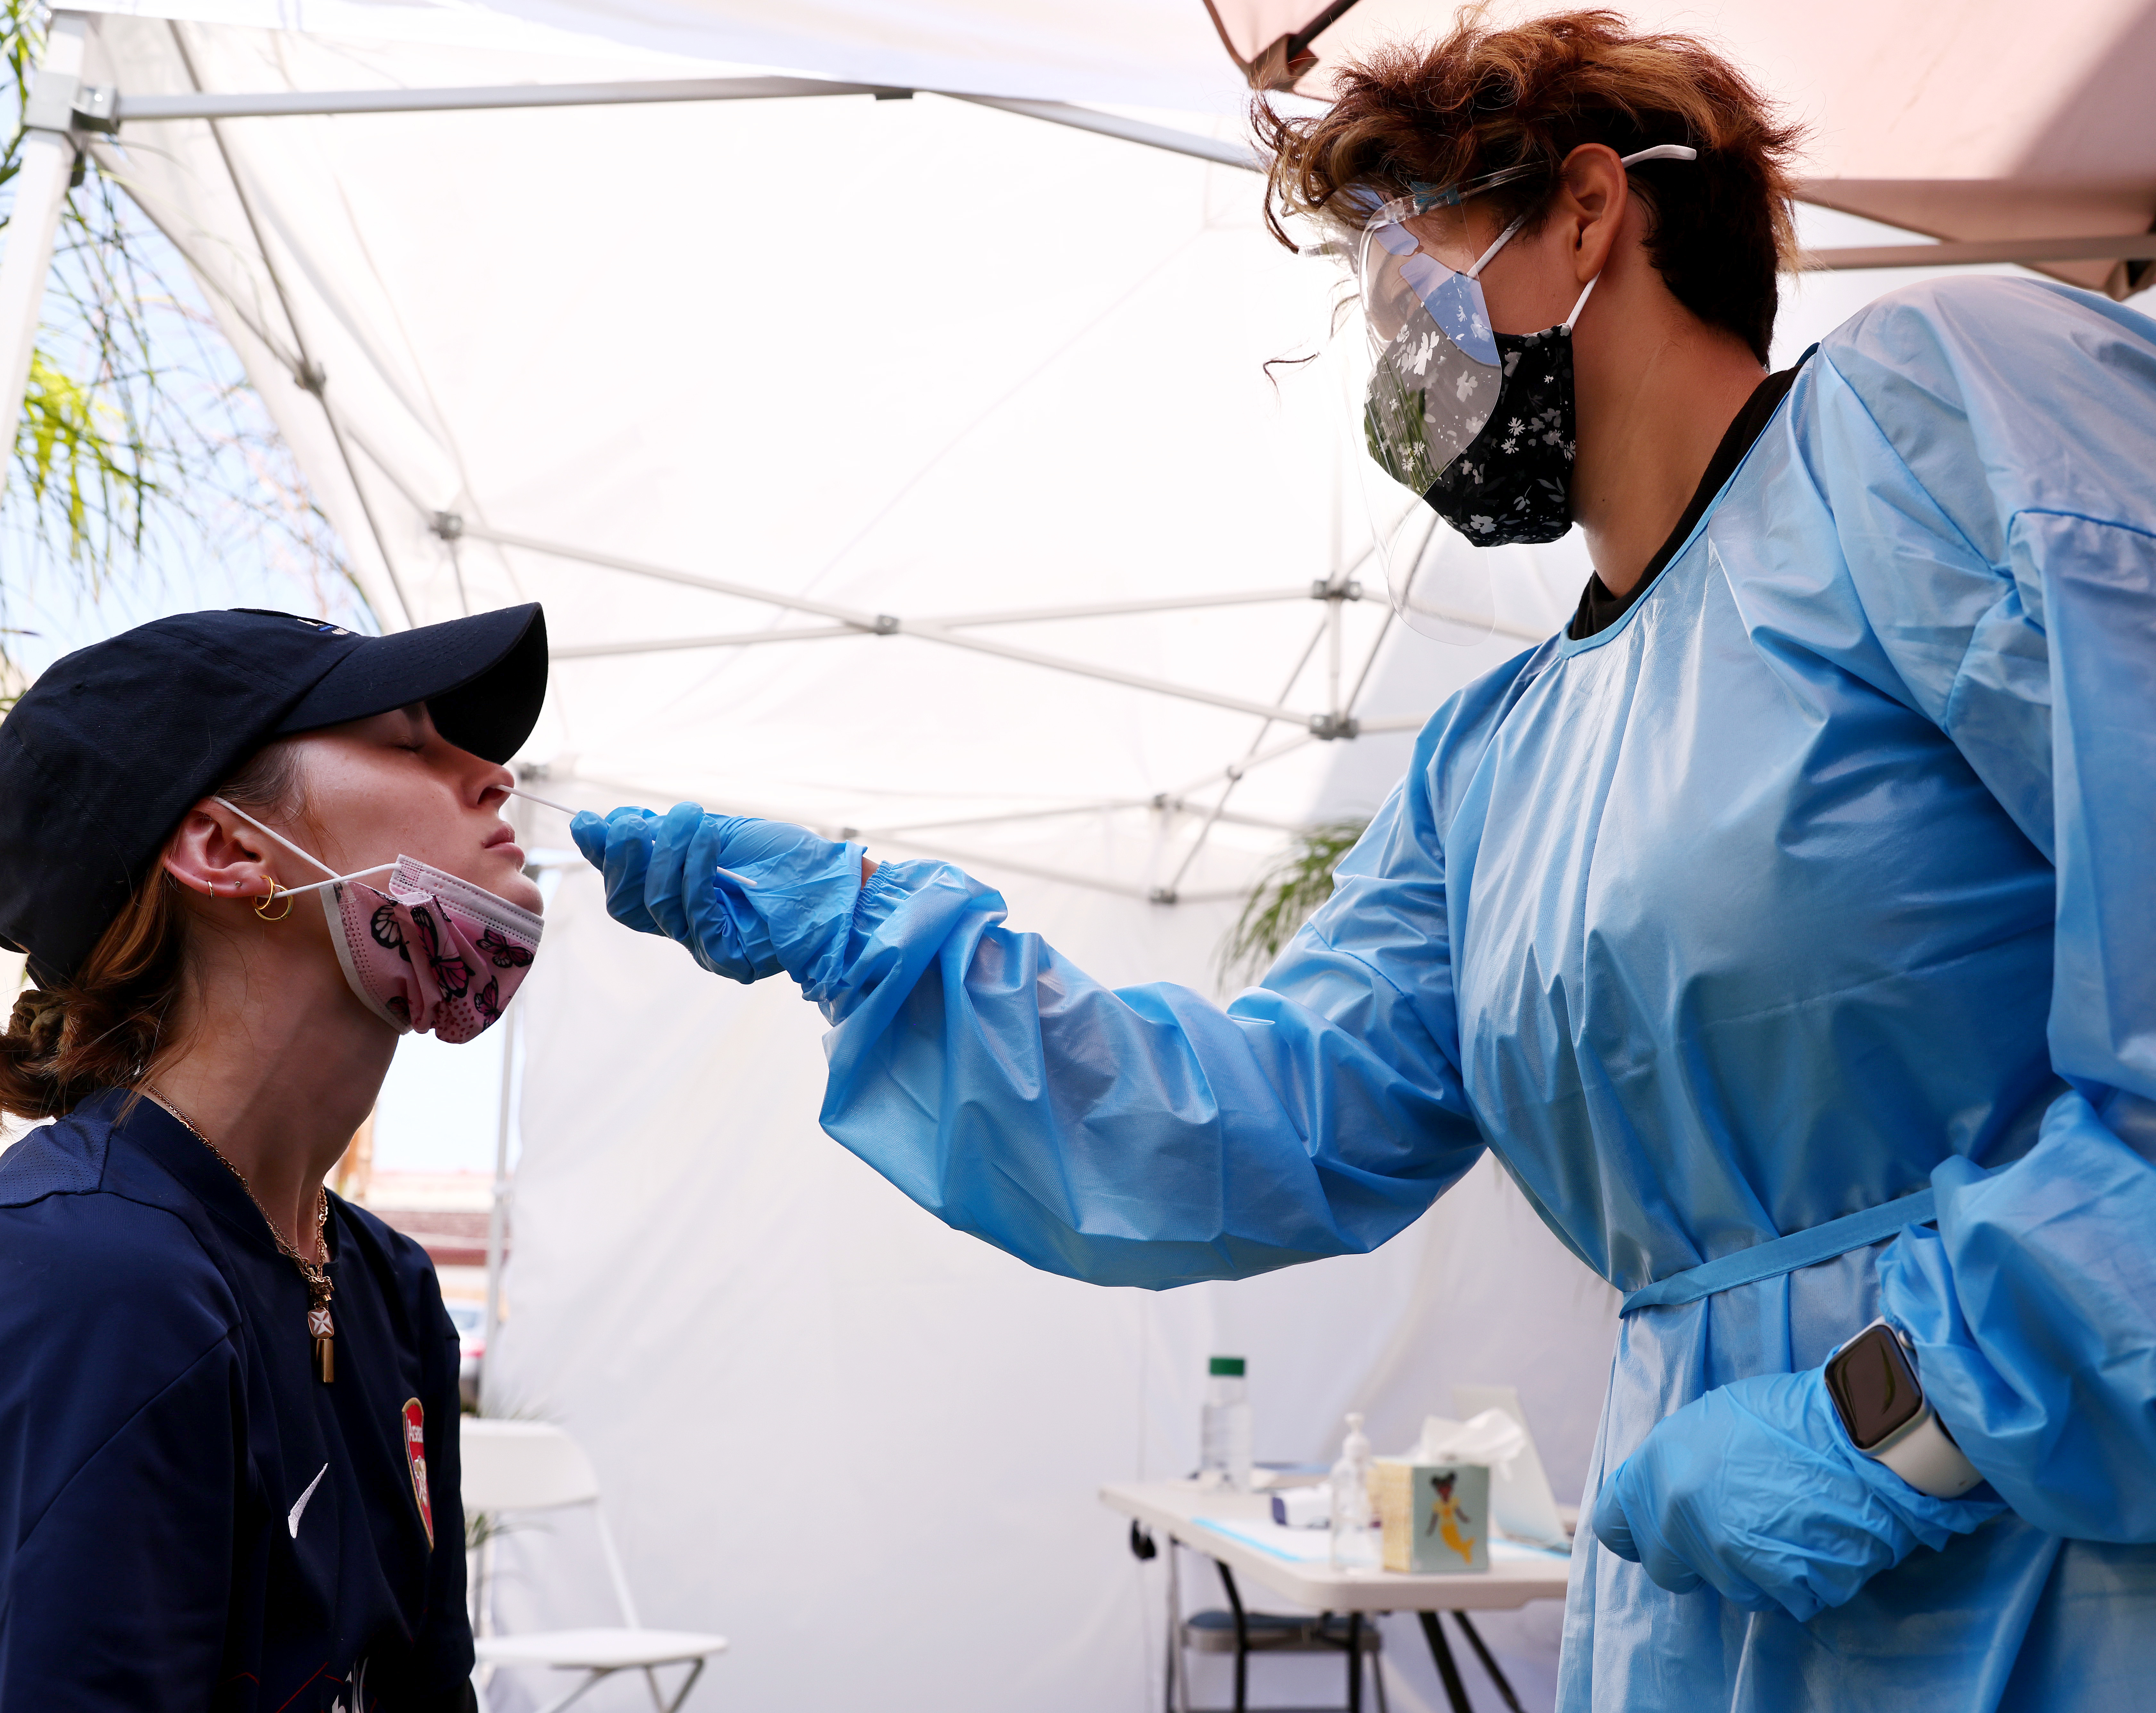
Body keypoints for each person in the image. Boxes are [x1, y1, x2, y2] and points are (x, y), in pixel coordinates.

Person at [567, 11, 2156, 1711]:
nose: (1394, 346)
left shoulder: (1923, 418)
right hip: (1713, 1595)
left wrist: (1903, 1416)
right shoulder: (1496, 761)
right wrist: (886, 945)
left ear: (1588, 210)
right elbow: (1256, 1122)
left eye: (1405, 264)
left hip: (2045, 1540)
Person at [0, 602, 550, 1711]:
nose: (496, 775)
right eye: (411, 741)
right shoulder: (76, 1284)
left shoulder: (390, 1286)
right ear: (227, 847)